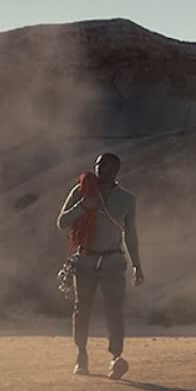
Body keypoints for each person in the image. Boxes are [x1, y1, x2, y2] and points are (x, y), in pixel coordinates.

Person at [56, 152, 143, 378]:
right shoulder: (81, 191)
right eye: (100, 167)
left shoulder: (127, 199)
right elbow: (62, 222)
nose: (103, 171)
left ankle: (116, 357)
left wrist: (137, 265)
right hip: (85, 259)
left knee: (115, 311)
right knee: (82, 309)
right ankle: (81, 356)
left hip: (113, 261)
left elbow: (130, 234)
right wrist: (83, 207)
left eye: (109, 168)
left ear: (117, 171)